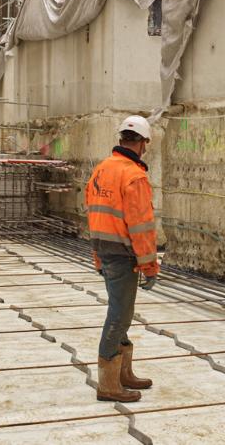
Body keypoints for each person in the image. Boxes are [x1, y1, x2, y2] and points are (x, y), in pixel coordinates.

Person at [84, 114, 160, 402]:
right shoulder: (134, 176)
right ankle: (109, 384)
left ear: (122, 140)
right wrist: (150, 266)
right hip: (123, 255)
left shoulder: (101, 170)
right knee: (118, 315)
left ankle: (122, 374)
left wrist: (96, 256)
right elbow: (141, 227)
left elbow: (92, 214)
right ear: (143, 143)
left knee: (122, 312)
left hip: (105, 250)